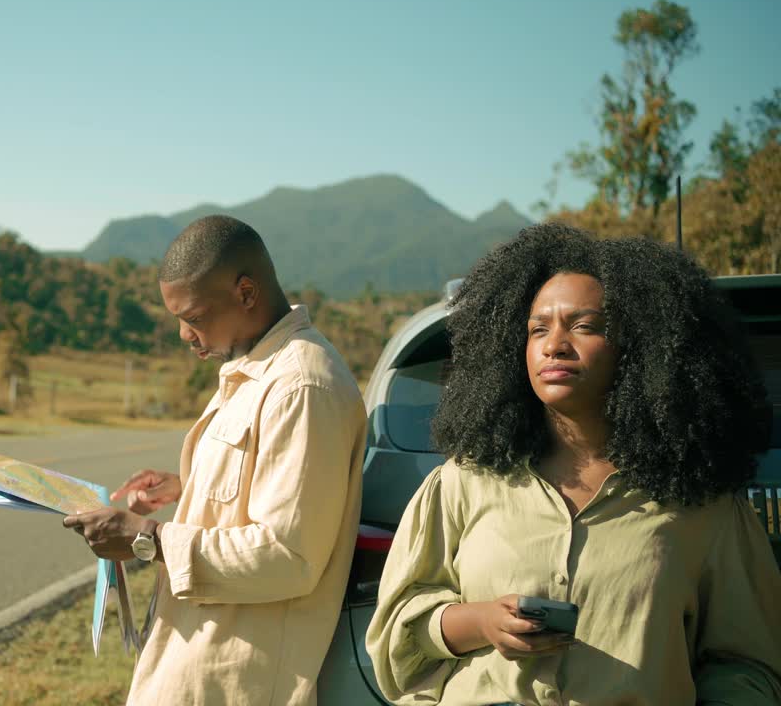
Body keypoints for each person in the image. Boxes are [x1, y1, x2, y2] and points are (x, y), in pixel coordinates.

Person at [366, 223, 781, 705]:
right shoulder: (463, 482)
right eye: (538, 328)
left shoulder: (703, 504)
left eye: (583, 326)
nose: (554, 344)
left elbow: (746, 665)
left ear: (641, 347)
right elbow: (397, 631)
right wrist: (481, 622)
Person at [62, 215, 367, 705]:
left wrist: (148, 539)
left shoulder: (302, 387)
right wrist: (191, 486)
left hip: (236, 680)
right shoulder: (251, 368)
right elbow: (268, 488)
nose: (185, 334)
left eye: (195, 317)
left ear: (246, 293)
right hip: (193, 661)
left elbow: (287, 557)